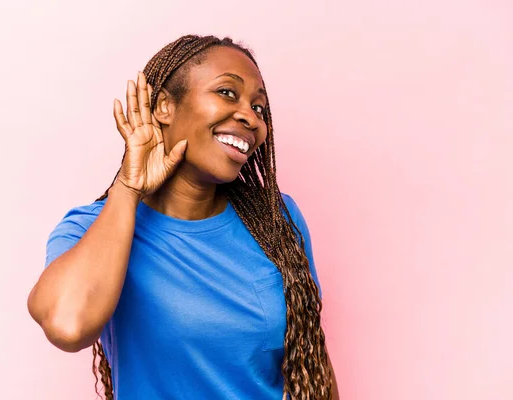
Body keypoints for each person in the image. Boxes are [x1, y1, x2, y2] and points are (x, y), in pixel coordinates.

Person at [27, 34, 339, 400]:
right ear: (164, 106)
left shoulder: (277, 220)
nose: (250, 117)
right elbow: (68, 325)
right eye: (227, 92)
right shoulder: (91, 227)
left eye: (259, 108)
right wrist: (128, 190)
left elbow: (312, 362)